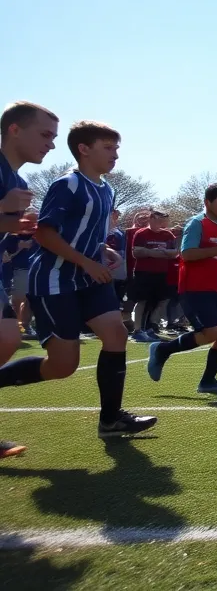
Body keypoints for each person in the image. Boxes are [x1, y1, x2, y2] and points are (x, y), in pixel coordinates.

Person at [0, 120, 156, 438]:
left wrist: (102, 252)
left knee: (116, 333)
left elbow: (89, 235)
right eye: (108, 148)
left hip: (88, 279)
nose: (115, 156)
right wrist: (85, 261)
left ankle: (111, 420)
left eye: (117, 149)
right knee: (63, 365)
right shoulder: (67, 185)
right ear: (84, 150)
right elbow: (44, 232)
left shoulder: (107, 190)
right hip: (54, 281)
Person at [146, 183, 217, 393]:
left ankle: (208, 381)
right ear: (207, 202)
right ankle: (163, 350)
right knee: (212, 332)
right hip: (194, 288)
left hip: (216, 288)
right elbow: (187, 254)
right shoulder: (196, 223)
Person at [0, 101, 58, 458]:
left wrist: (21, 229)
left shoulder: (19, 180)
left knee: (7, 338)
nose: (51, 143)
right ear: (15, 129)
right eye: (45, 134)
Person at [128, 209, 179, 341]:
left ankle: (151, 326)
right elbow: (137, 252)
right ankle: (137, 329)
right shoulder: (141, 234)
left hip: (161, 273)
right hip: (143, 272)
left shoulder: (168, 235)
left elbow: (175, 252)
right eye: (158, 220)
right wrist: (159, 253)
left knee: (162, 300)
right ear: (151, 219)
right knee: (142, 300)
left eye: (163, 220)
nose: (161, 223)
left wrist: (152, 252)